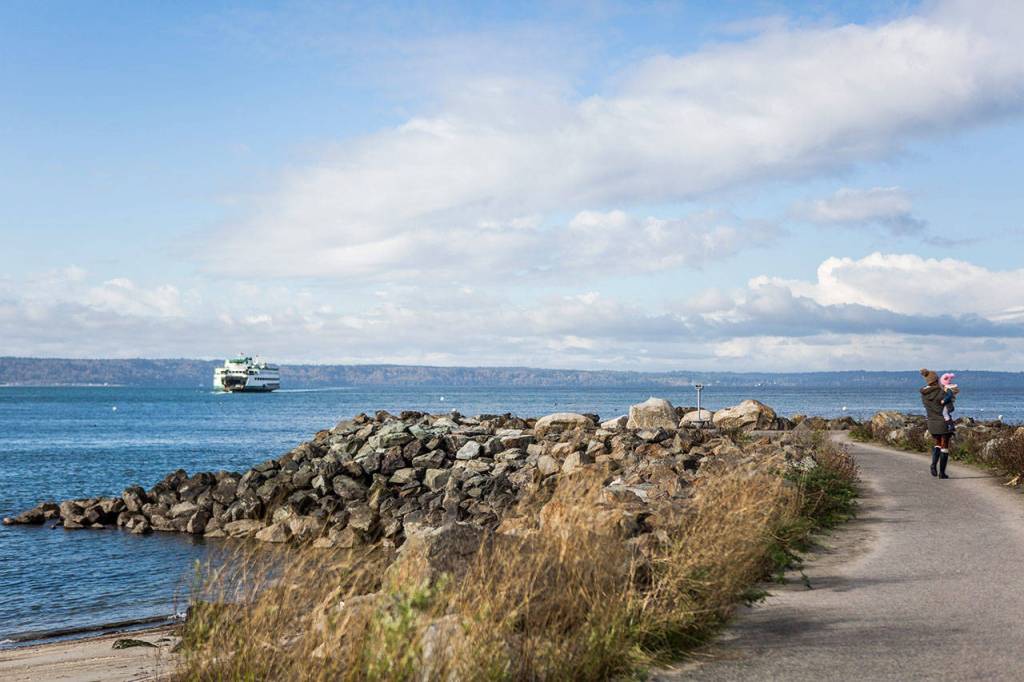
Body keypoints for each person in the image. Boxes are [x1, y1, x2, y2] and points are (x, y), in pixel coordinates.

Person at [920, 368, 953, 478]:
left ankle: (933, 465)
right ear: (936, 380)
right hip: (943, 423)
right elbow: (950, 408)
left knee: (937, 443)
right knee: (944, 447)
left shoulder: (924, 394)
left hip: (931, 422)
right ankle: (942, 473)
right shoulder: (941, 392)